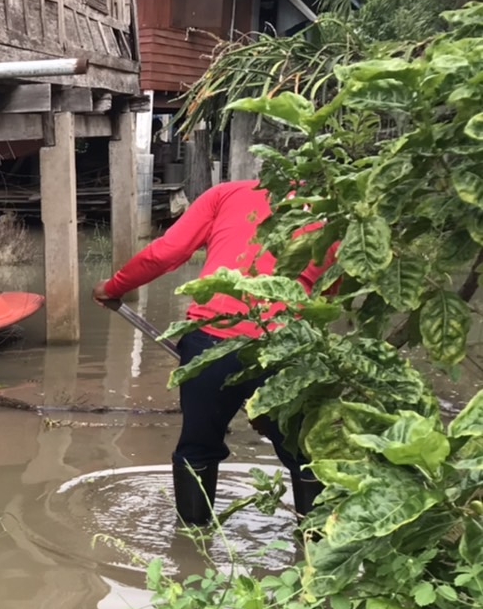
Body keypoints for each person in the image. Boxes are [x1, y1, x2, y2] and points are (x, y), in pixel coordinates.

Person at [92, 179, 331, 527]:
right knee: (304, 452)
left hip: (213, 339)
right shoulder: (333, 212)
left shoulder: (227, 193)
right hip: (289, 345)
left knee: (198, 446)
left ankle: (190, 547)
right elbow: (333, 295)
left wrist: (113, 287)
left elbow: (165, 253)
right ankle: (319, 551)